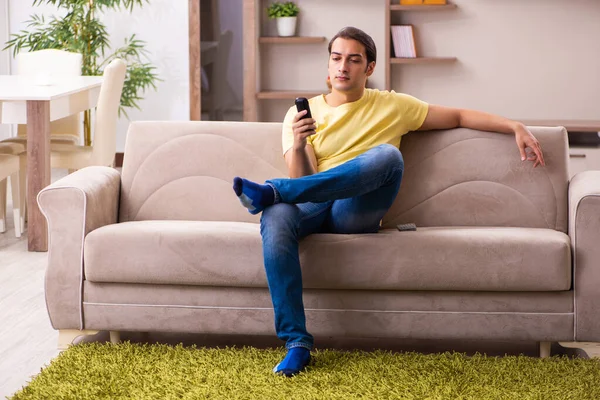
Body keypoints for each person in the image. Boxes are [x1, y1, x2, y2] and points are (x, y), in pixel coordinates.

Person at [232, 26, 545, 377]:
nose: (343, 67)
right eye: (337, 58)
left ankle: (274, 192)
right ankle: (296, 344)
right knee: (274, 217)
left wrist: (514, 125)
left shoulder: (393, 105)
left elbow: (458, 116)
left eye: (353, 60)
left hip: (356, 211)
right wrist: (301, 144)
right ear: (328, 64)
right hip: (313, 203)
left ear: (369, 68)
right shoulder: (299, 115)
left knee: (387, 156)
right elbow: (305, 183)